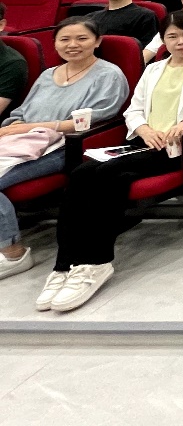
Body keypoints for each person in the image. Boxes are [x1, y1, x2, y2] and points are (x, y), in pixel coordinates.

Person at [31, 11, 183, 310]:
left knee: (102, 175)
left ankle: (94, 263)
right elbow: (134, 110)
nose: (180, 41)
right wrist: (144, 129)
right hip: (143, 142)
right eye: (172, 36)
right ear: (162, 40)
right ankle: (65, 265)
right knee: (84, 174)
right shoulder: (153, 70)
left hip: (177, 147)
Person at [0, 18, 127, 283]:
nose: (72, 45)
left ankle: (13, 253)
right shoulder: (48, 74)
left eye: (81, 38)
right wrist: (12, 127)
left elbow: (92, 120)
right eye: (65, 39)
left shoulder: (109, 74)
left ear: (97, 41)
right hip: (22, 139)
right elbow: (22, 112)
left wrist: (34, 127)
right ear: (55, 43)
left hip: (65, 146)